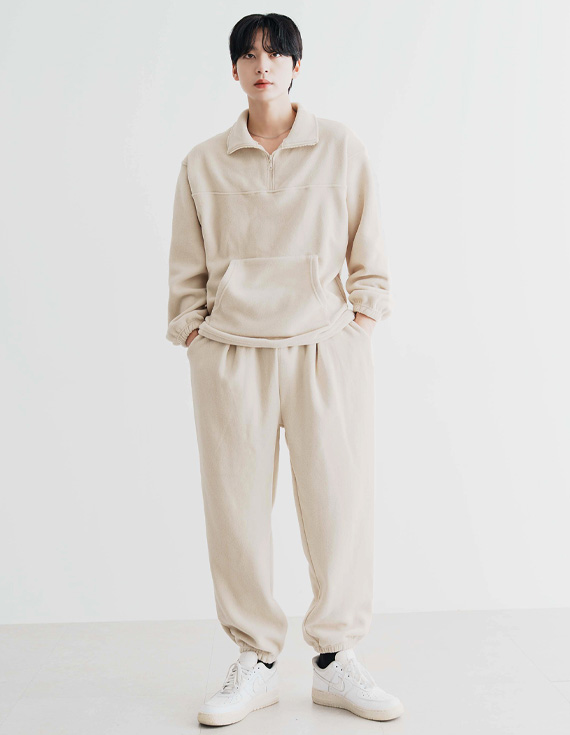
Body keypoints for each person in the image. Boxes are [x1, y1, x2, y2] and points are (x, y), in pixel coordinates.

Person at [165, 12, 404, 727]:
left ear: (297, 66)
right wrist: (195, 332)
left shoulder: (341, 148)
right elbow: (185, 269)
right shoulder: (203, 163)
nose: (262, 65)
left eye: (275, 54)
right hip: (231, 352)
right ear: (234, 70)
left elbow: (369, 252)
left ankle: (335, 658)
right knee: (235, 510)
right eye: (249, 54)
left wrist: (360, 323)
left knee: (339, 504)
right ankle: (256, 661)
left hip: (325, 348)